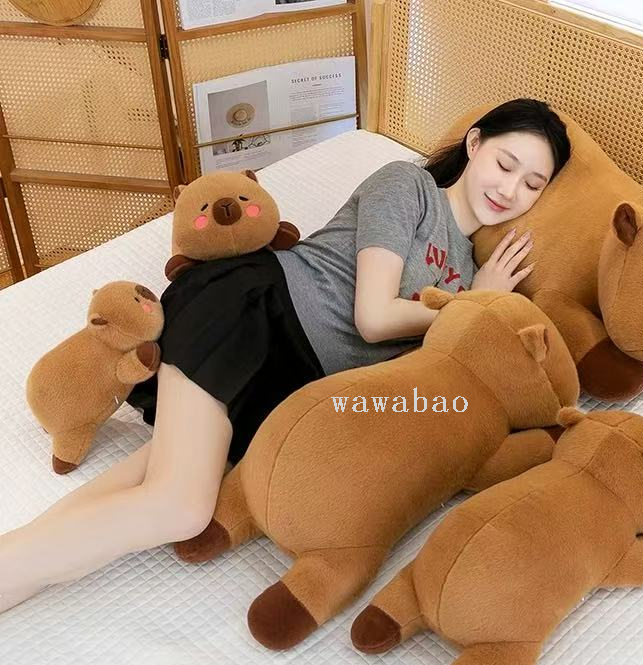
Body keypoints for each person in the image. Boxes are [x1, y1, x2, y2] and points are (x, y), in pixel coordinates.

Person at [0, 97, 570, 614]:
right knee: (180, 507)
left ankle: (13, 581)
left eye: (532, 183)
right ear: (474, 143)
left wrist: (477, 303)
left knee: (146, 476)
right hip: (258, 315)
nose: (510, 189)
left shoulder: (471, 274)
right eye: (505, 164)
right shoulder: (409, 187)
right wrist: (475, 306)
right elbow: (373, 318)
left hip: (289, 380)